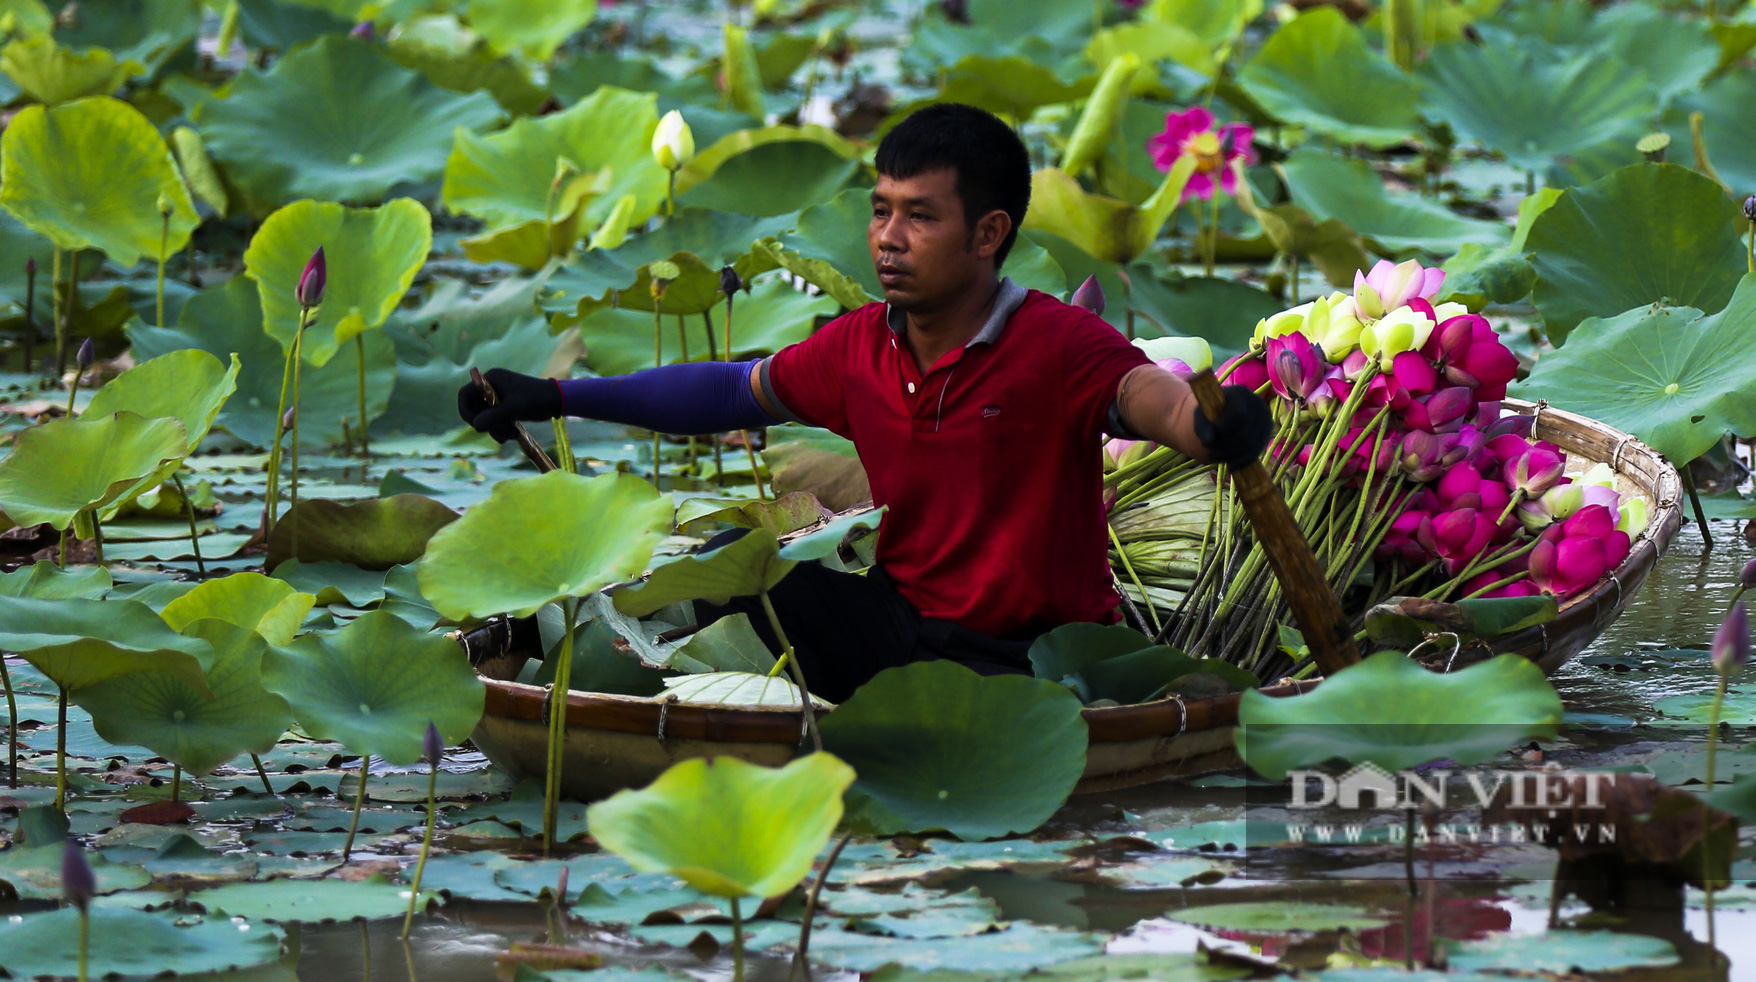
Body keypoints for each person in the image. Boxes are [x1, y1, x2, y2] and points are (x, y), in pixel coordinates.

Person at [459, 103, 1272, 701]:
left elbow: (1144, 396)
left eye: (920, 217)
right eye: (881, 210)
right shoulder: (859, 346)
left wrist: (1208, 426)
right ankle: (548, 660)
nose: (887, 237)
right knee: (755, 580)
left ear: (989, 235)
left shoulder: (1056, 343)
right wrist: (558, 394)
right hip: (901, 619)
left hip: (1030, 654)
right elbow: (727, 389)